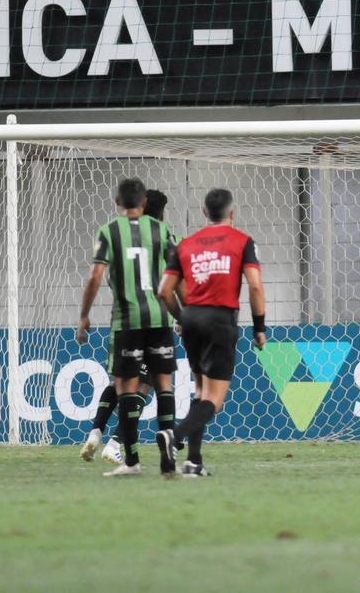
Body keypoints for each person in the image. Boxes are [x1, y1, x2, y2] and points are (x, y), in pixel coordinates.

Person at [155, 188, 265, 479]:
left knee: (200, 391)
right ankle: (173, 437)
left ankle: (194, 461)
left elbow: (164, 291)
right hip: (220, 319)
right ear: (232, 212)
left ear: (204, 212)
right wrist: (259, 327)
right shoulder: (242, 242)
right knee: (214, 399)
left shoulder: (186, 245)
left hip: (192, 319)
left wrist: (181, 317)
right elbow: (254, 285)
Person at [76, 178, 178, 477]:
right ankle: (169, 459)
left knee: (125, 388)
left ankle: (130, 461)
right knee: (163, 385)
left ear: (117, 202)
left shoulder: (109, 231)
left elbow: (95, 277)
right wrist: (184, 316)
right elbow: (176, 275)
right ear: (143, 202)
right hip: (160, 317)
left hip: (127, 321)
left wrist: (84, 315)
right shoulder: (163, 231)